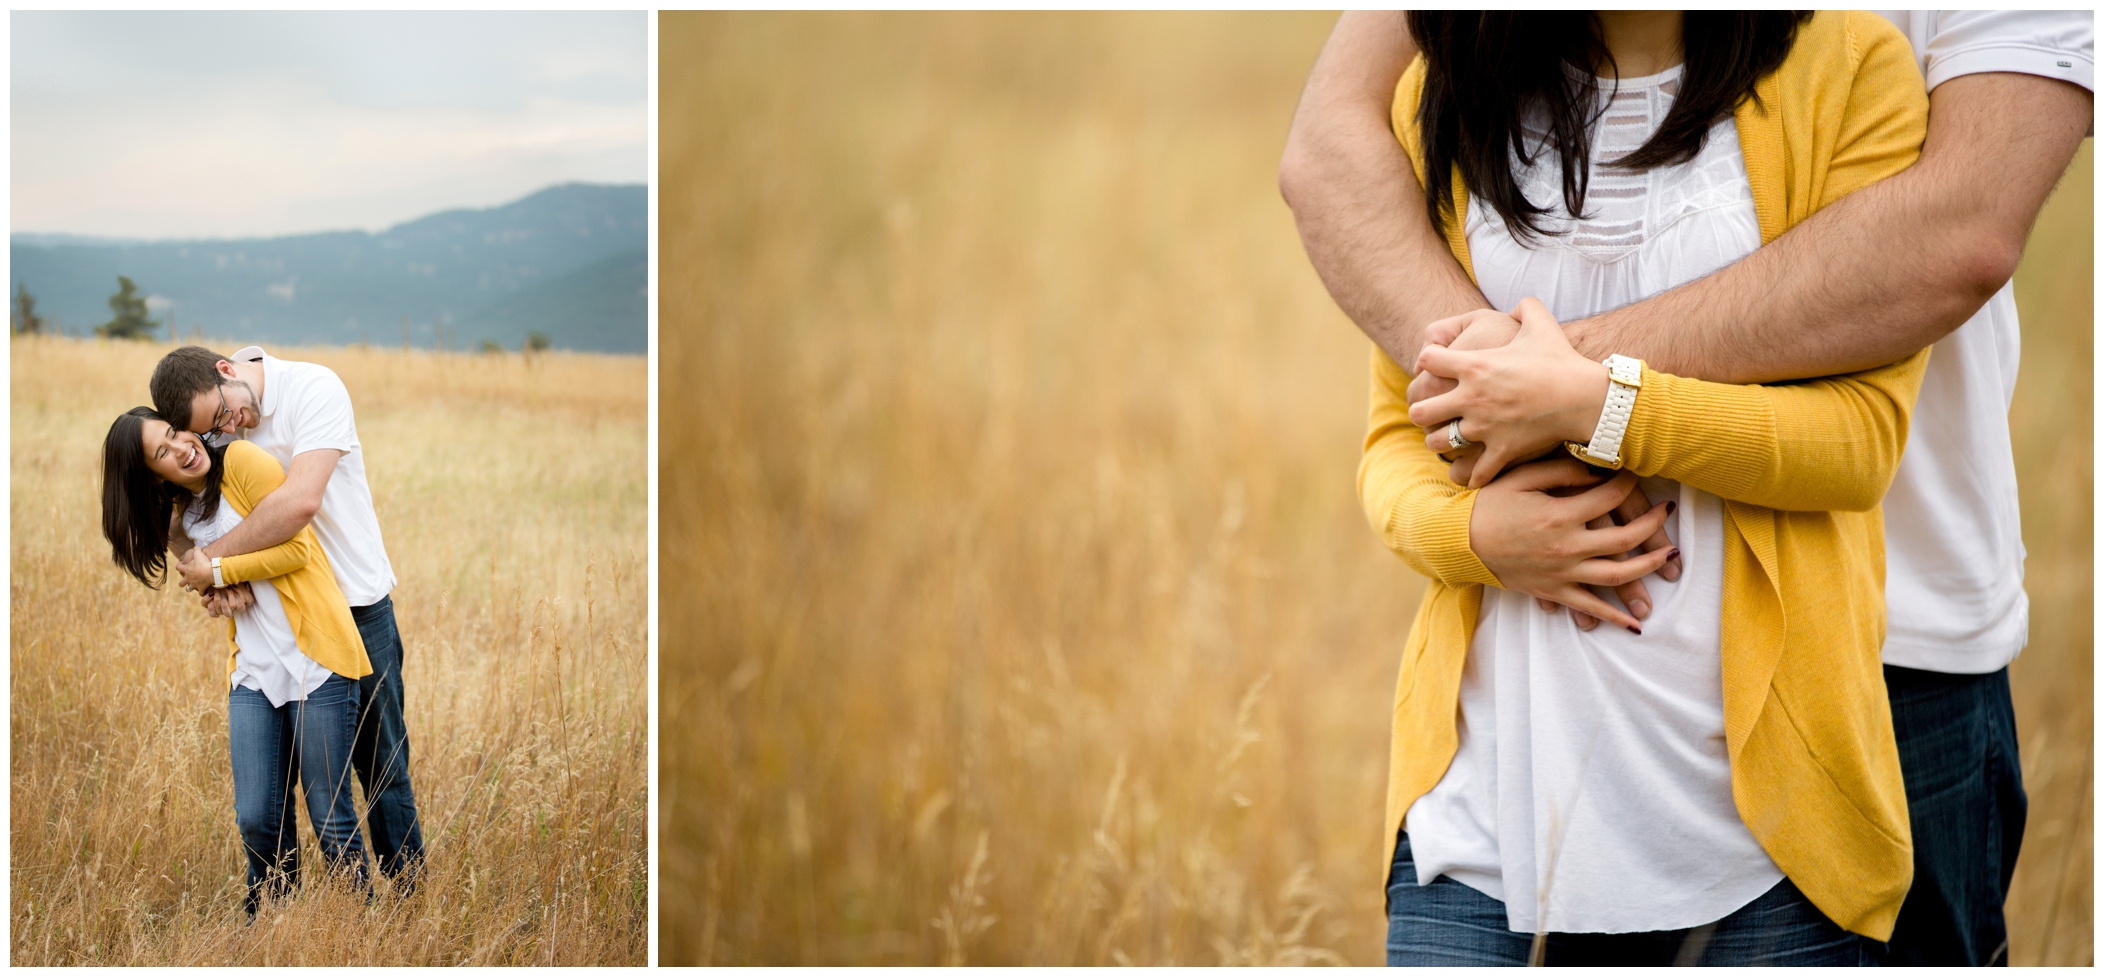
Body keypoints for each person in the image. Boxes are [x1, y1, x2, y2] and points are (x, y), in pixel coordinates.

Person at [1282, 10, 2092, 966]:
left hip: (1773, 799)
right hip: (1481, 822)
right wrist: (1477, 532)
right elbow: (1397, 435)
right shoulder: (1449, 87)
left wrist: (1587, 405)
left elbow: (1883, 391)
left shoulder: (1845, 69)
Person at [150, 344, 428, 892]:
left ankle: (409, 898)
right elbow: (188, 510)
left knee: (380, 765)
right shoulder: (210, 421)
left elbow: (299, 503)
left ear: (227, 370)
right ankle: (279, 906)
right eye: (211, 428)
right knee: (269, 795)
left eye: (225, 416)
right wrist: (208, 572)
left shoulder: (313, 389)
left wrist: (217, 565)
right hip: (276, 618)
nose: (227, 429)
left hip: (353, 604)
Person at [101, 408, 374, 915]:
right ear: (153, 475)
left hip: (317, 659)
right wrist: (214, 582)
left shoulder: (244, 460)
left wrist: (220, 572)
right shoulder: (181, 518)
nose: (182, 448)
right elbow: (198, 570)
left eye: (174, 433)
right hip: (253, 667)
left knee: (331, 818)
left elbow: (296, 549)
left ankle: (364, 929)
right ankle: (272, 923)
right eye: (163, 452)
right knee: (255, 818)